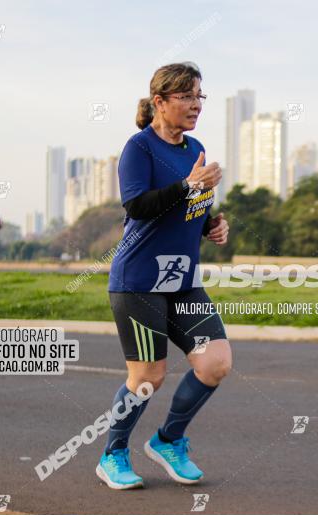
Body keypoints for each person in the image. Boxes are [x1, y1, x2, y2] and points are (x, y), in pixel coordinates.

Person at [97, 62, 231, 490]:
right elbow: (137, 206)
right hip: (138, 281)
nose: (196, 106)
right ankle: (113, 453)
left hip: (182, 280)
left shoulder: (195, 149)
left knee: (215, 362)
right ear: (160, 102)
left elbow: (192, 208)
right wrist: (189, 187)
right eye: (187, 97)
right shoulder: (139, 148)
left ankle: (169, 441)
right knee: (148, 379)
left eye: (199, 97)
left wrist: (211, 224)